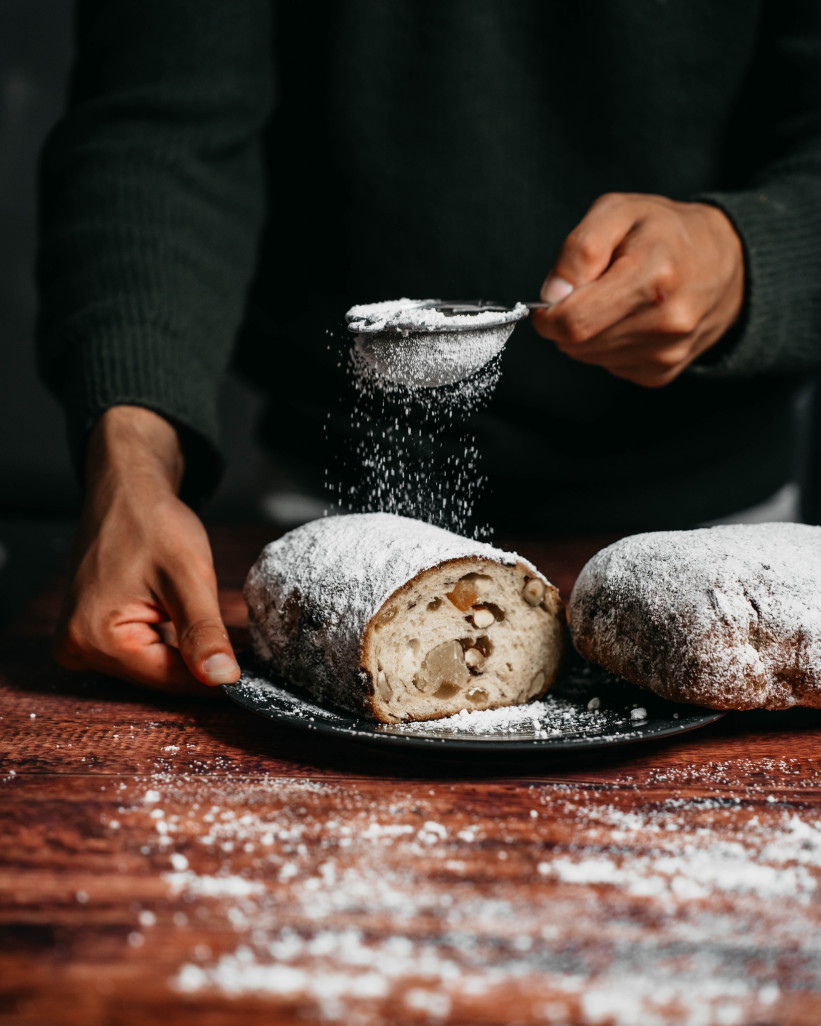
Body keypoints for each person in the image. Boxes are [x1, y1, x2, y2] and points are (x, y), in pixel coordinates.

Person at [36, 1, 821, 695]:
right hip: (336, 524)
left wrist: (754, 254)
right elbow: (161, 124)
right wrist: (130, 460)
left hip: (721, 570)